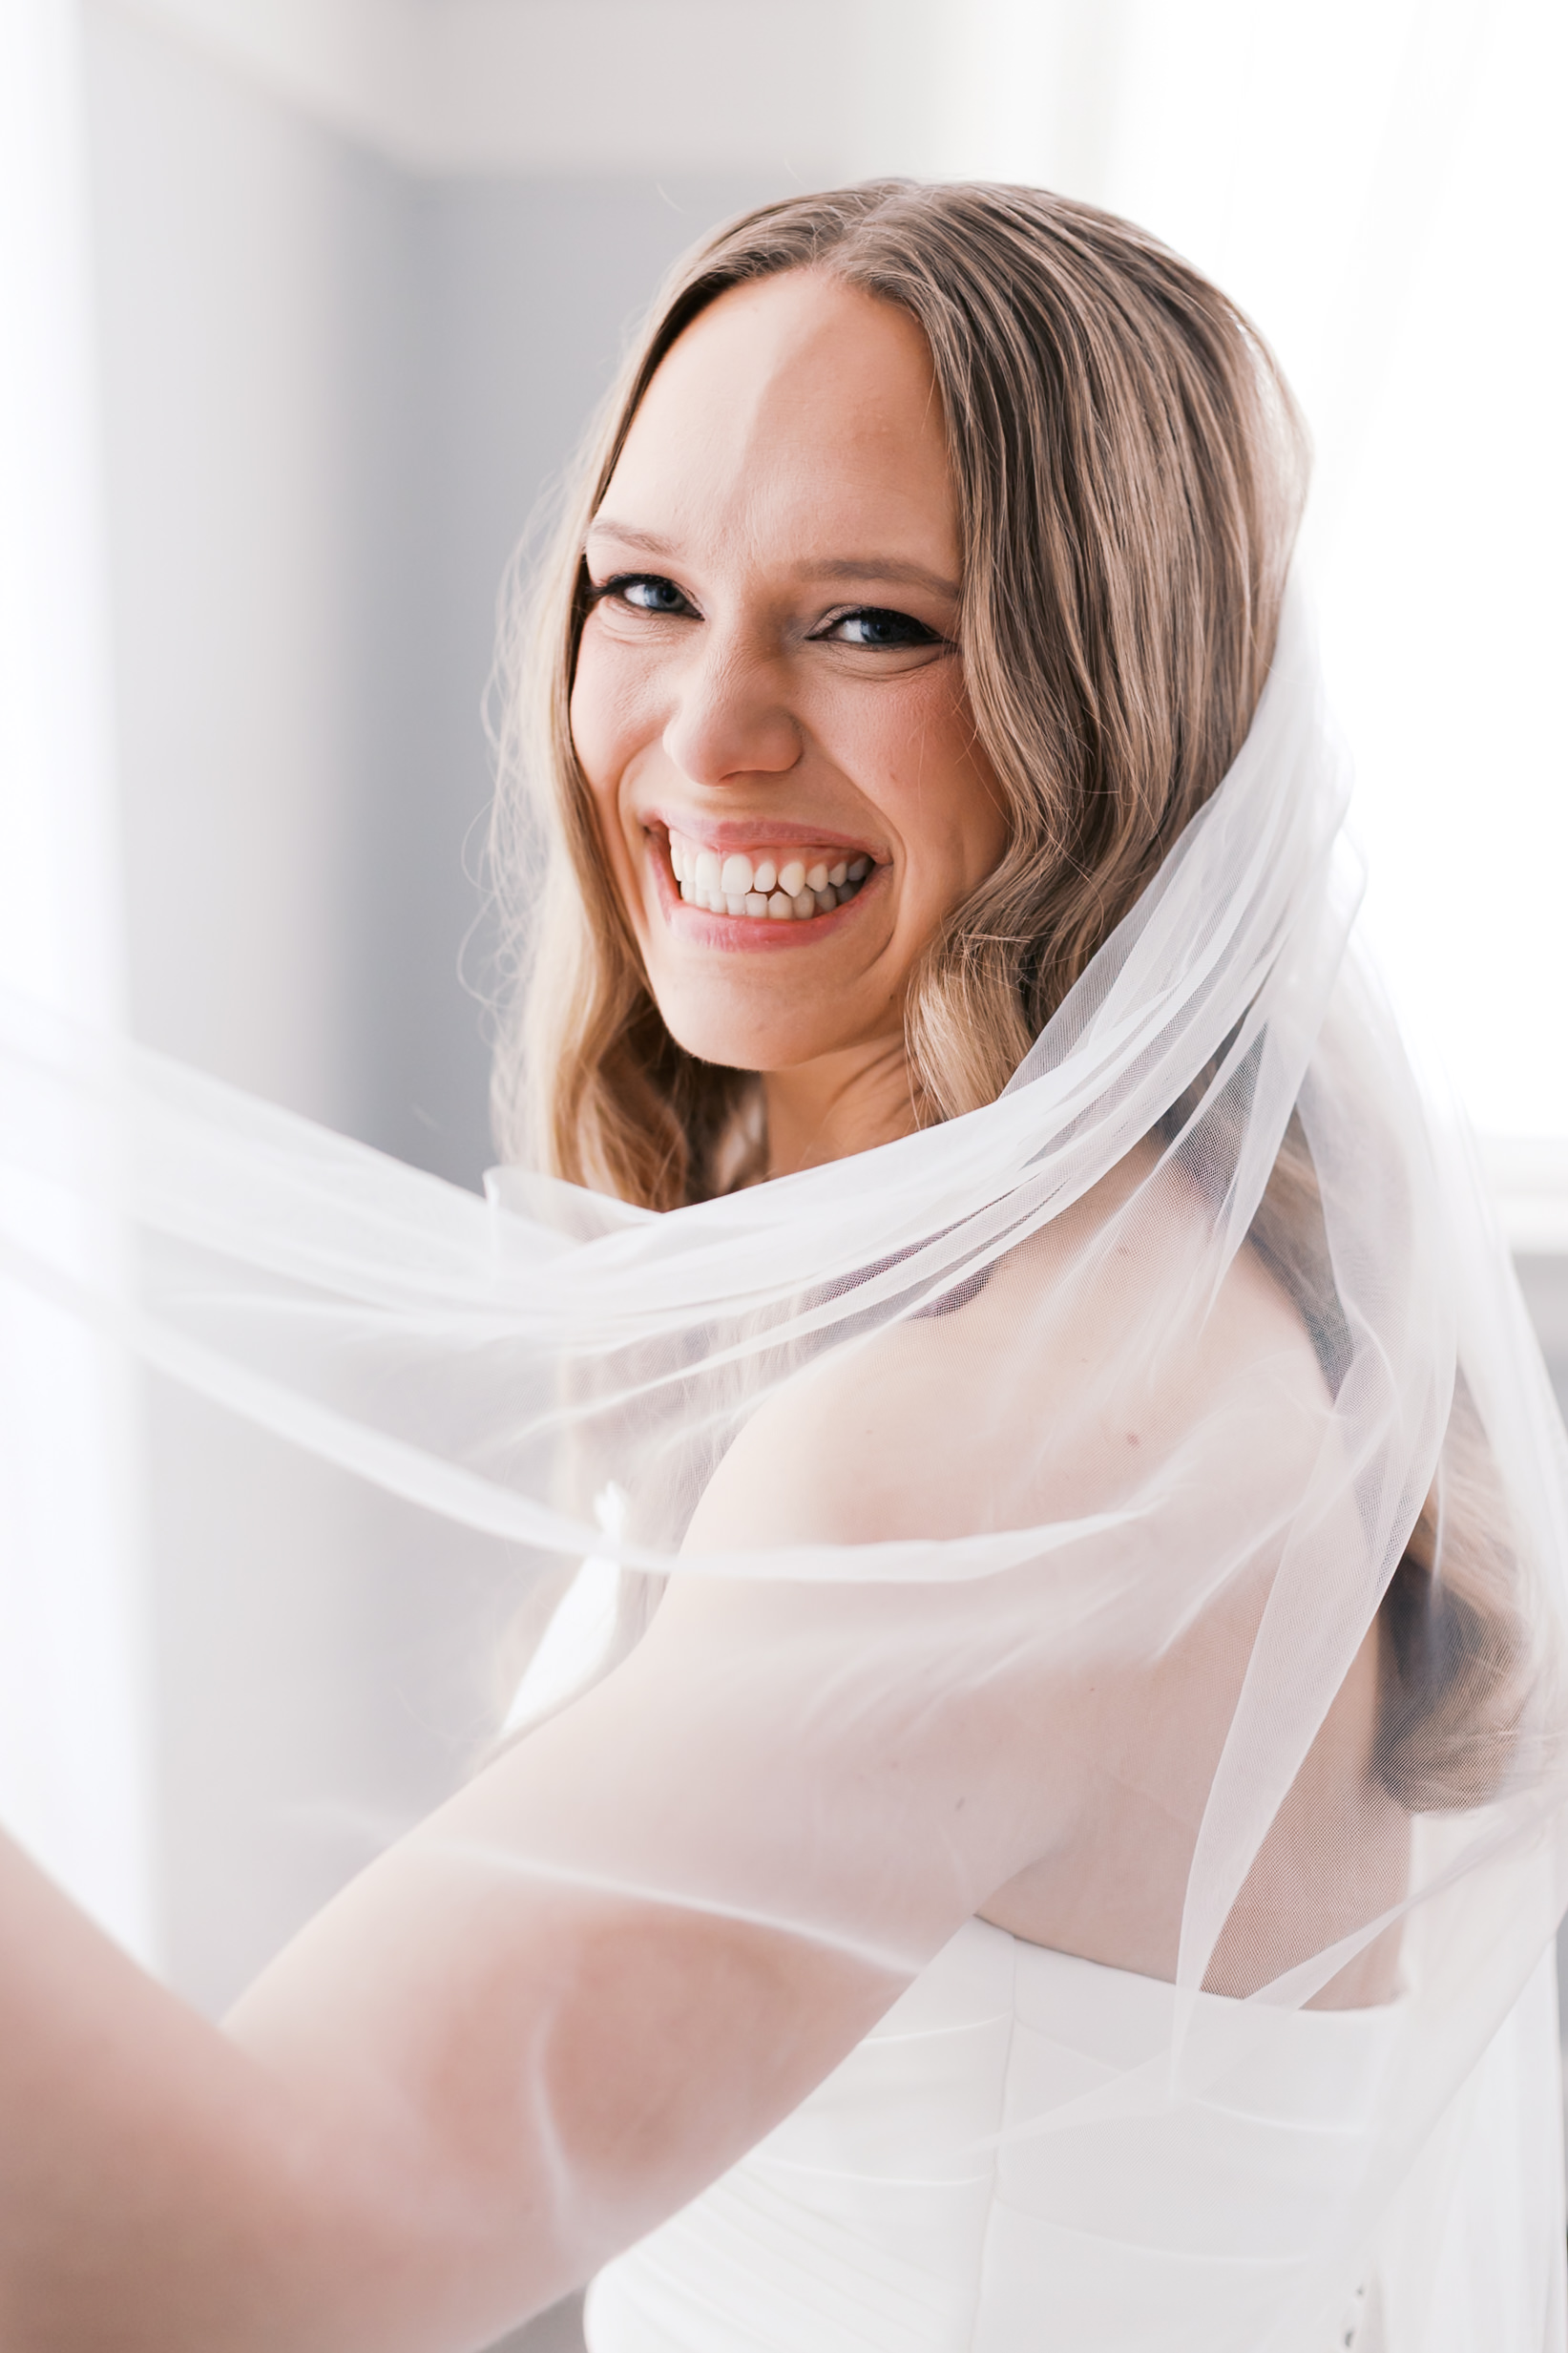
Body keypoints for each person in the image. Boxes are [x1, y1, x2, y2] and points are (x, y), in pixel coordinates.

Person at [1, 180, 1565, 2353]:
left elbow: (233, 2277)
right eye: (644, 590)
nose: (706, 730)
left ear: (1121, 706)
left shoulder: (1013, 1450)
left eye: (871, 626)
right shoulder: (1095, 1310)